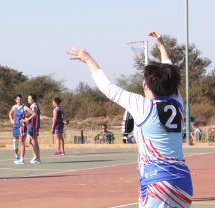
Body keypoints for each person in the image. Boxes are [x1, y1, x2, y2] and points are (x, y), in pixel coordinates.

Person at [69, 31, 193, 208]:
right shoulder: (177, 102)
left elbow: (108, 88)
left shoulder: (142, 105)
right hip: (183, 181)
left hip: (157, 181)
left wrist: (89, 60)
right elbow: (169, 71)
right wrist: (161, 46)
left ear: (146, 85)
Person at [8, 95, 30, 164]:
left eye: (20, 99)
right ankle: (17, 156)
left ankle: (22, 159)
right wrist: (11, 119)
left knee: (21, 142)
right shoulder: (14, 107)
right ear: (16, 100)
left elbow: (33, 113)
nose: (19, 101)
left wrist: (27, 119)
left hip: (22, 126)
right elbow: (10, 113)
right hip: (15, 126)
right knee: (15, 142)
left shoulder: (24, 107)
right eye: (18, 99)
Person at [24, 94, 42, 164]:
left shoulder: (34, 106)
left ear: (33, 99)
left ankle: (36, 157)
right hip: (31, 125)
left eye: (29, 98)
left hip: (34, 125)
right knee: (30, 141)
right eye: (28, 98)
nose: (28, 99)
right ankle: (37, 157)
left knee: (33, 141)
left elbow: (34, 115)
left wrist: (27, 118)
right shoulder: (32, 106)